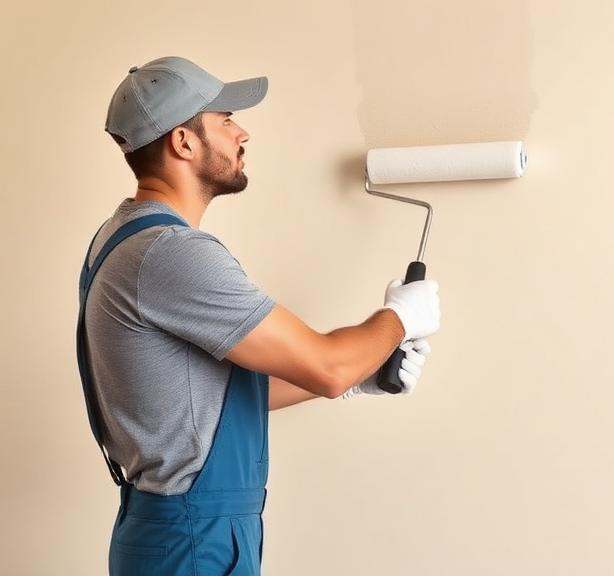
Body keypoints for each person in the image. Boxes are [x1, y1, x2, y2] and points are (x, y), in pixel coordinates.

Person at [75, 56, 442, 576]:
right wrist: (399, 318)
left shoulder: (124, 238)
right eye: (225, 119)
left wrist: (366, 373)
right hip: (193, 540)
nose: (242, 132)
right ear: (184, 142)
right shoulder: (172, 254)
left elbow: (217, 399)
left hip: (180, 534)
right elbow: (328, 366)